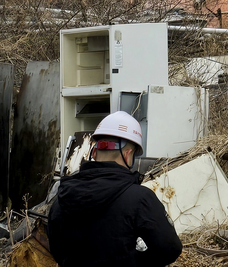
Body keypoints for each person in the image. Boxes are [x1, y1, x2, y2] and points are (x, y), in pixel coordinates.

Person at [47, 112, 182, 267]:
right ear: (128, 154)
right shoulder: (140, 198)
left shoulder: (63, 197)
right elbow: (170, 249)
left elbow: (56, 251)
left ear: (95, 152)